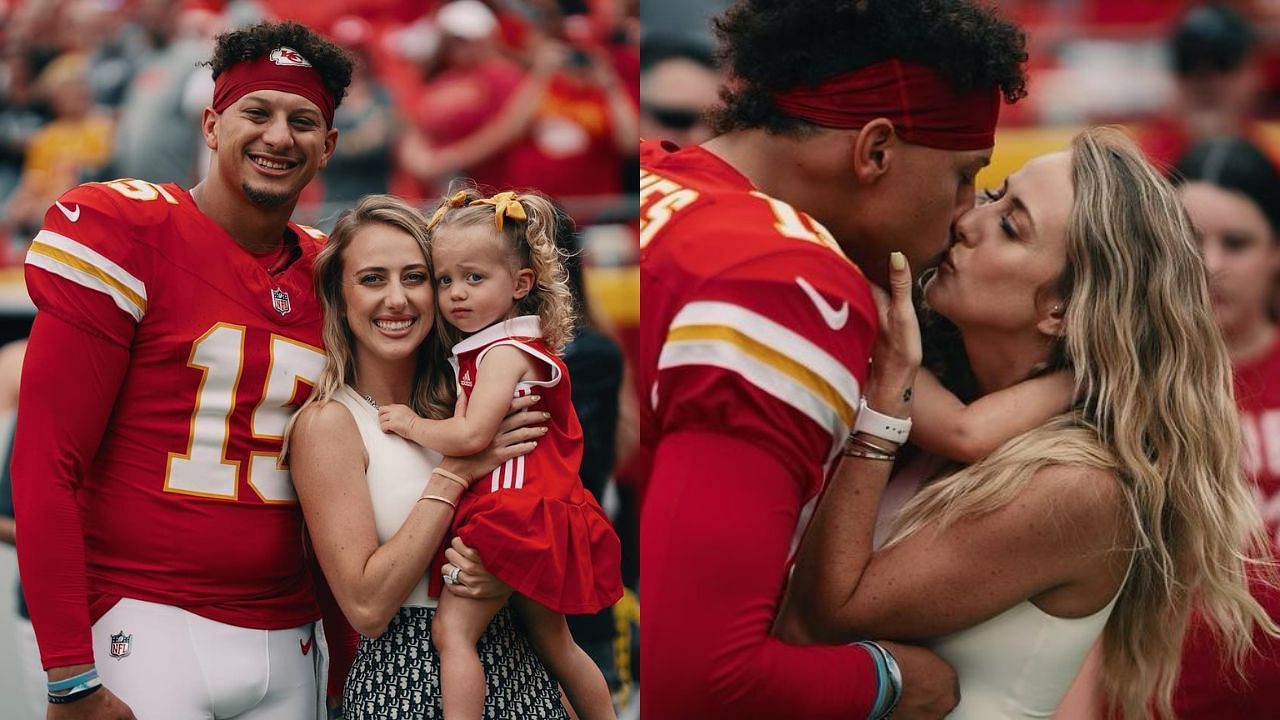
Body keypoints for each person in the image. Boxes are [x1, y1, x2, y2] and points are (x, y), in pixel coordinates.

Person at [775, 127, 1276, 720]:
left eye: (1011, 226)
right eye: (993, 197)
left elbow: (819, 619)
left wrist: (885, 404)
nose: (967, 221)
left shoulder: (1078, 484)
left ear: (1061, 309)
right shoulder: (946, 389)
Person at [639, 0, 1028, 717]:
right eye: (962, 177)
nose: (964, 213)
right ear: (876, 152)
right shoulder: (781, 277)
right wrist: (897, 681)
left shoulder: (659, 178)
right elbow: (699, 682)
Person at [12, 21, 356, 720]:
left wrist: (349, 661)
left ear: (328, 147)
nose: (279, 136)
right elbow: (47, 461)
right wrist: (70, 674)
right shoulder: (128, 230)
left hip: (291, 640)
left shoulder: (338, 272)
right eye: (256, 112)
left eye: (303, 120)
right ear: (211, 124)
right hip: (148, 625)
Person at [286, 194, 572, 720]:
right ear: (339, 296)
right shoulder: (330, 423)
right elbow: (367, 607)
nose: (397, 299)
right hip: (407, 683)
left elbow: (546, 521)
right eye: (373, 279)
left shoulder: (477, 397)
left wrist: (506, 578)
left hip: (527, 676)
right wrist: (455, 472)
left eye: (416, 277)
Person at [377, 189, 622, 719]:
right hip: (540, 509)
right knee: (556, 645)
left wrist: (412, 422)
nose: (455, 294)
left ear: (521, 284)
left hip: (515, 512)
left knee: (452, 633)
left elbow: (471, 438)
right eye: (444, 280)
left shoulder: (504, 353)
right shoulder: (502, 348)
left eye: (474, 278)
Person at [1166, 138, 1280, 716]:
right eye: (1190, 240)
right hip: (1147, 698)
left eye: (1236, 243)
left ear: (1276, 253)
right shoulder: (1113, 380)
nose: (1210, 264)